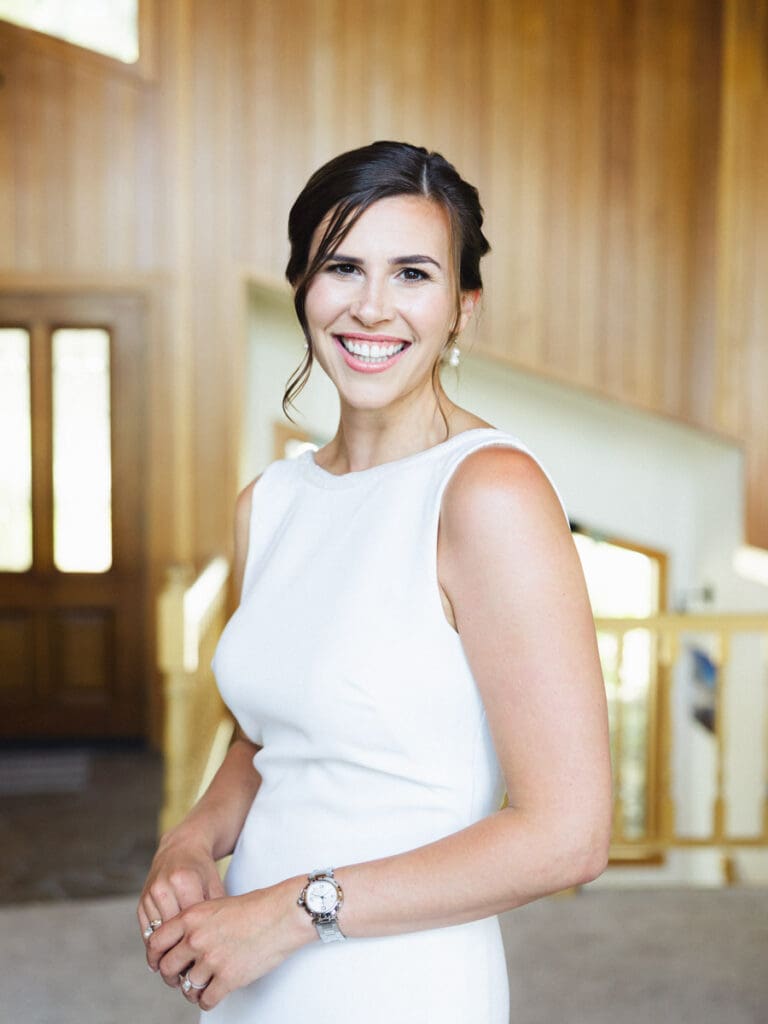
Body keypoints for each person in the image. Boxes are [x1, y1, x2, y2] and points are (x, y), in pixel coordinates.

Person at [138, 141, 612, 1023]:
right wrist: (192, 842)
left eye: (413, 274)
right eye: (342, 267)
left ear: (462, 306)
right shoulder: (270, 502)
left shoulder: (488, 491)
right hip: (247, 972)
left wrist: (287, 912)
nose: (371, 306)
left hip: (400, 982)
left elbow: (569, 837)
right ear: (303, 289)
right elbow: (263, 743)